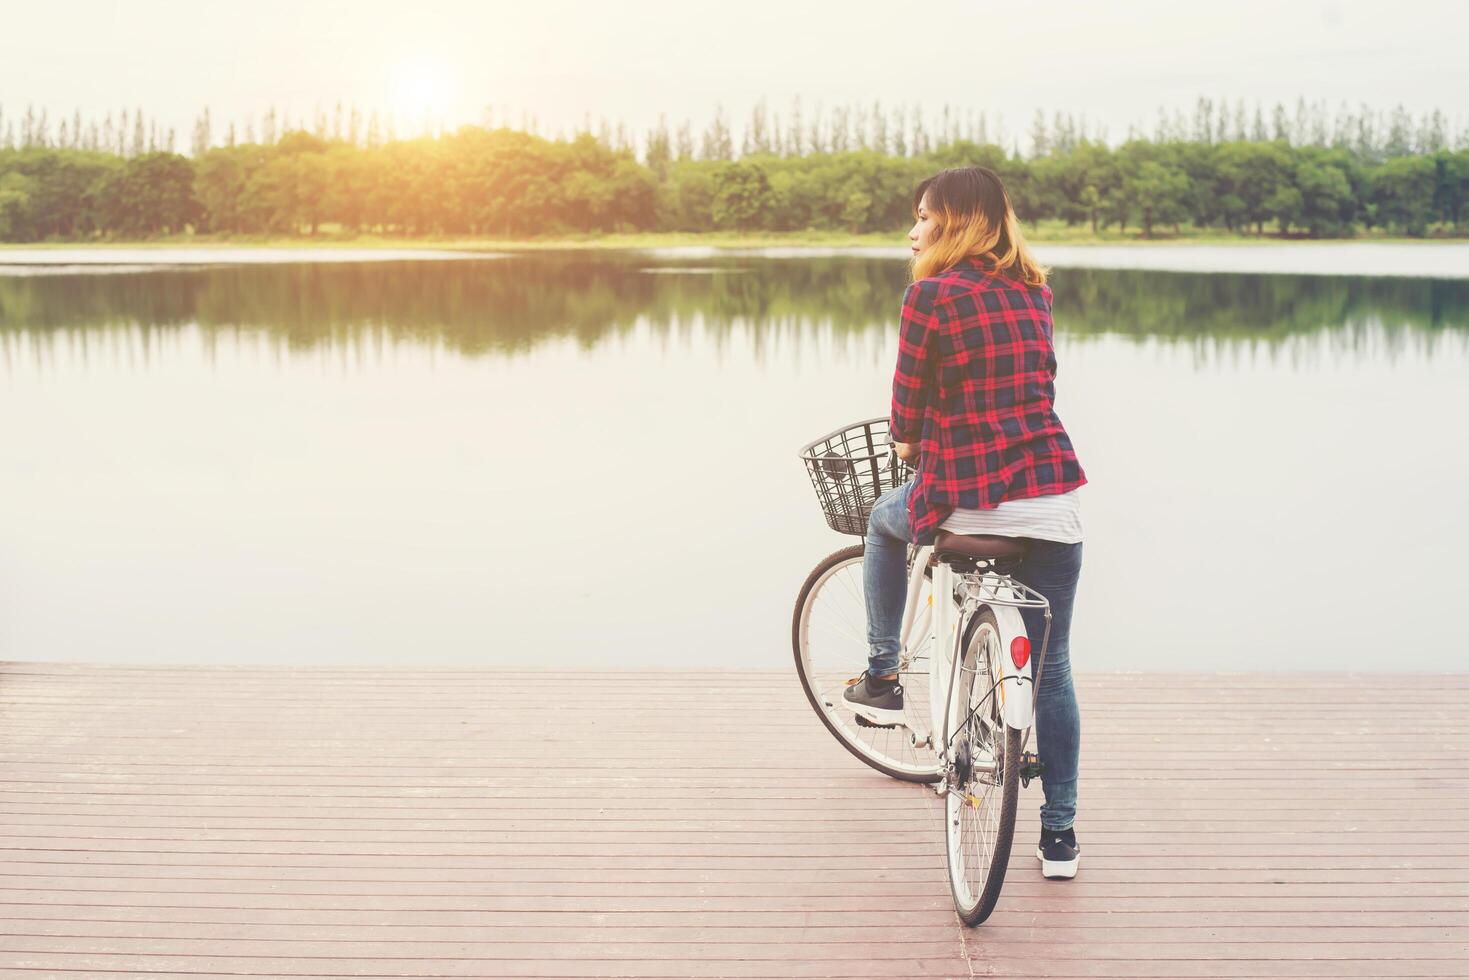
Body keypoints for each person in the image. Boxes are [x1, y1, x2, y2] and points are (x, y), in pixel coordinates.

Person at [841, 166, 1088, 880]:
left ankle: (883, 674)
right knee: (1054, 669)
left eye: (921, 216)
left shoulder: (929, 295)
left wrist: (910, 444)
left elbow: (907, 406)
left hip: (966, 501)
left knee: (884, 524)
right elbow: (1036, 381)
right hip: (1051, 501)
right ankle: (1061, 836)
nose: (911, 229)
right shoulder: (1034, 292)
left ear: (950, 223)